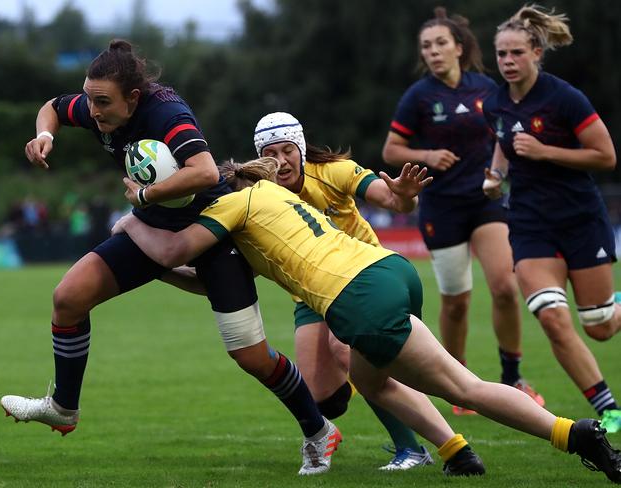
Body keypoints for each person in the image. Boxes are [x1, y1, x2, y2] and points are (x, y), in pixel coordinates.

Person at [113, 156, 621, 483]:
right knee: (371, 382)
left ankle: (576, 435)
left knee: (462, 387)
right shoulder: (269, 197)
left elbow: (175, 247)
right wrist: (163, 272)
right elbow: (209, 281)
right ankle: (456, 452)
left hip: (358, 299)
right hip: (387, 272)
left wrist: (133, 217)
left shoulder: (230, 205)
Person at [0, 39, 341, 476]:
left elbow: (205, 172)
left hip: (212, 227)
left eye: (101, 102)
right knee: (68, 297)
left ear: (133, 98)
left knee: (250, 355)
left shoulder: (166, 113)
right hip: (156, 222)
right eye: (89, 98)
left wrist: (144, 194)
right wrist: (45, 133)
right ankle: (64, 408)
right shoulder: (97, 105)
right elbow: (52, 106)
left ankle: (318, 430)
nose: (93, 110)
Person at [253, 111, 438, 471]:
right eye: (270, 153)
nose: (280, 161)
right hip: (310, 294)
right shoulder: (262, 193)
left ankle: (413, 449)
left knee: (348, 350)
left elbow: (389, 197)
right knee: (323, 397)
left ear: (301, 148)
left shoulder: (334, 171)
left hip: (365, 280)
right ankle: (364, 381)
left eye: (287, 149)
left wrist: (405, 198)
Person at [381, 7, 544, 415]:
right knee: (456, 302)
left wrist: (498, 171)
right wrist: (428, 154)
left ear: (458, 47)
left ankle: (513, 377)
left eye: (440, 44)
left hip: (486, 203)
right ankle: (459, 384)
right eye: (426, 47)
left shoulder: (487, 88)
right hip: (442, 208)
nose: (433, 52)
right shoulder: (418, 96)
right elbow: (391, 151)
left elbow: (506, 134)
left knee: (505, 287)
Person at [481, 5, 621, 434]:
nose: (507, 61)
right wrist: (495, 174)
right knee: (552, 318)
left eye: (516, 53)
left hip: (581, 220)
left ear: (537, 52)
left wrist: (546, 152)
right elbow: (506, 140)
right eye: (502, 54)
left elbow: (606, 156)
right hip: (529, 225)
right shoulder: (495, 102)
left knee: (599, 328)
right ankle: (609, 410)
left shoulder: (565, 97)